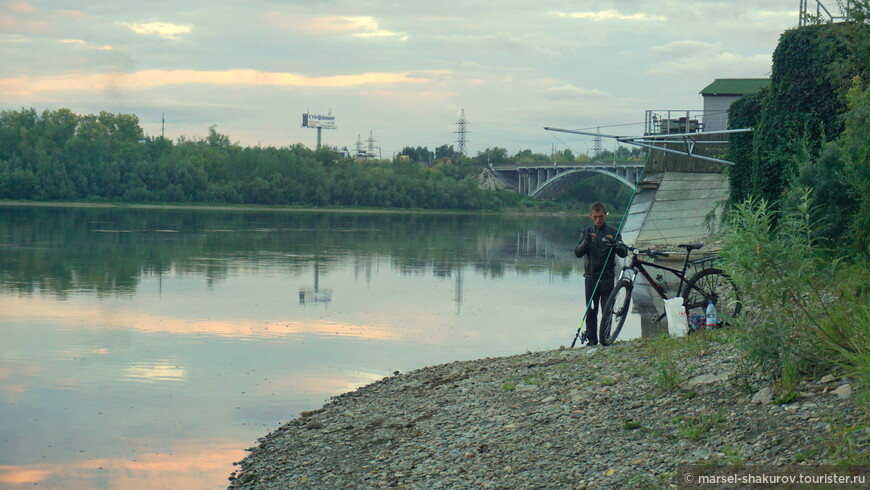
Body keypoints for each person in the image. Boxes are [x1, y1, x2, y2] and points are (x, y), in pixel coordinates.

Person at [574, 202, 627, 346]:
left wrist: (615, 243)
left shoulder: (613, 231)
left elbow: (623, 253)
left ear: (605, 215)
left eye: (601, 217)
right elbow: (578, 253)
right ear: (591, 216)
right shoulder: (586, 232)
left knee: (607, 309)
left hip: (607, 278)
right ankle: (592, 340)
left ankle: (606, 338)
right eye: (595, 217)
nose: (598, 220)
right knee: (591, 311)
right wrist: (586, 242)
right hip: (590, 278)